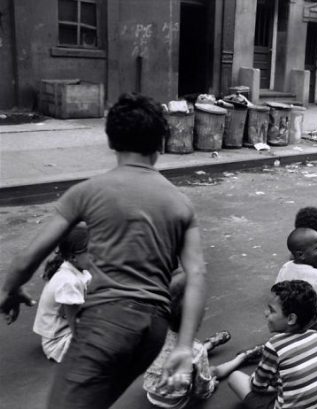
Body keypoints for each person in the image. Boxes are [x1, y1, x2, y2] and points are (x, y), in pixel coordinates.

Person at [0, 93, 208, 409]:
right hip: (153, 331)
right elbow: (197, 275)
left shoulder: (87, 192)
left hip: (108, 321)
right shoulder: (181, 203)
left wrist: (10, 289)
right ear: (161, 143)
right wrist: (182, 345)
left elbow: (27, 258)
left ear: (110, 141)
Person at [144, 271, 263, 409]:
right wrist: (211, 386)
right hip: (177, 403)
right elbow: (202, 388)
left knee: (185, 353)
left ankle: (209, 344)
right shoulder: (196, 349)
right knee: (213, 370)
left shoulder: (153, 334)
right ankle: (242, 357)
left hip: (152, 393)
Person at [228, 280, 317, 409]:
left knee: (235, 377)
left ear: (291, 319)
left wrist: (255, 379)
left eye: (271, 310)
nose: (266, 313)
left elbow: (258, 387)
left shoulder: (274, 346)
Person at [276, 227, 317, 356]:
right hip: (305, 322)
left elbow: (277, 291)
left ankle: (280, 345)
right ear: (301, 254)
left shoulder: (286, 266)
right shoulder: (315, 275)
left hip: (285, 319)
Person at [33, 223, 91, 363]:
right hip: (59, 342)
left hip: (68, 330)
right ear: (73, 257)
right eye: (91, 251)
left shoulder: (78, 269)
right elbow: (75, 323)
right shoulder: (68, 281)